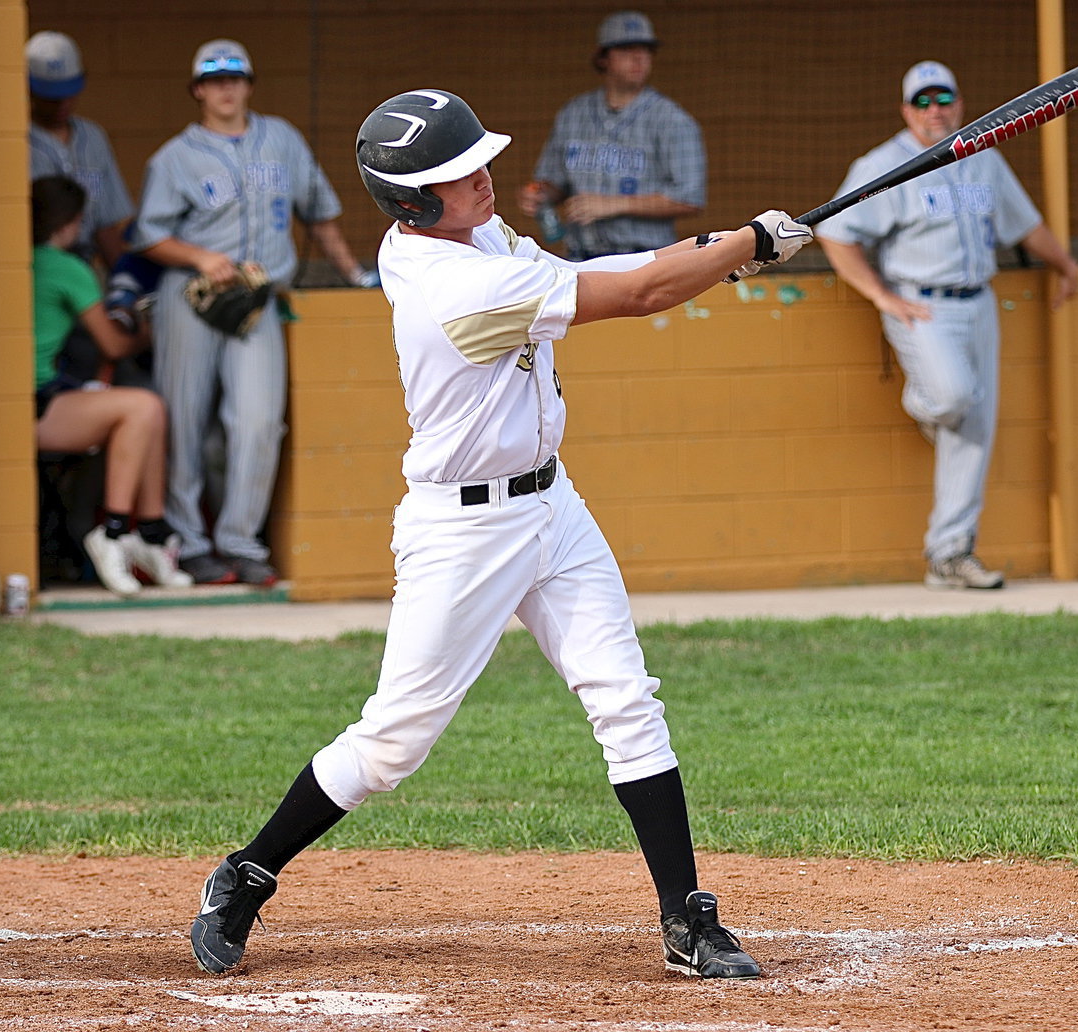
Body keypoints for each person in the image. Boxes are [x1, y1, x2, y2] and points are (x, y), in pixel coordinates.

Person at [187, 88, 812, 981]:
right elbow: (635, 294)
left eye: (478, 159)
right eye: (458, 172)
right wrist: (742, 245)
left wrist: (717, 252)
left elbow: (599, 267)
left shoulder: (479, 238)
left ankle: (686, 918)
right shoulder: (454, 286)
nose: (483, 177)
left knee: (626, 699)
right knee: (394, 740)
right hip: (462, 531)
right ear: (411, 203)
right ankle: (246, 876)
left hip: (553, 506)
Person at [817, 61, 1078, 590]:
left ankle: (950, 554)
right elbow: (835, 231)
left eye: (943, 99)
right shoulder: (884, 164)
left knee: (974, 430)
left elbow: (1024, 223)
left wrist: (1065, 265)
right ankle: (926, 406)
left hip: (978, 302)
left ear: (959, 104)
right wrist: (880, 296)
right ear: (906, 111)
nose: (934, 110)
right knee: (953, 398)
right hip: (922, 305)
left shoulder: (984, 155)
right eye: (923, 101)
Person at [133, 39, 375, 587]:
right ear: (197, 90)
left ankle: (240, 542)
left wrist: (355, 275)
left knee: (260, 420)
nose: (225, 88)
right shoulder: (174, 157)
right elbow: (148, 235)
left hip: (258, 298)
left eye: (235, 78)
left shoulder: (282, 139)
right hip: (191, 297)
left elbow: (320, 212)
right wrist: (198, 256)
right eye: (214, 80)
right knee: (185, 420)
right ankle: (188, 543)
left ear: (248, 85)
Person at [32, 175, 193, 597]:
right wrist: (151, 330)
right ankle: (114, 532)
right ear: (70, 222)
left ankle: (152, 534)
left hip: (40, 396)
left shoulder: (21, 259)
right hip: (32, 407)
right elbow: (113, 344)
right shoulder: (67, 266)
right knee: (141, 407)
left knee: (150, 409)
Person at [517, 10, 705, 260]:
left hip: (644, 258)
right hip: (581, 257)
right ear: (603, 58)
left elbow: (690, 198)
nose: (639, 58)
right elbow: (554, 183)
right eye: (626, 49)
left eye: (646, 49)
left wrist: (615, 204)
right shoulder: (573, 114)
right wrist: (539, 194)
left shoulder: (673, 120)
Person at [27, 32, 135, 270]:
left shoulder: (93, 137)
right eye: (51, 96)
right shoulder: (16, 140)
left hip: (85, 262)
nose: (62, 103)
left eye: (68, 94)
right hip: (36, 265)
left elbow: (106, 224)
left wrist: (123, 277)